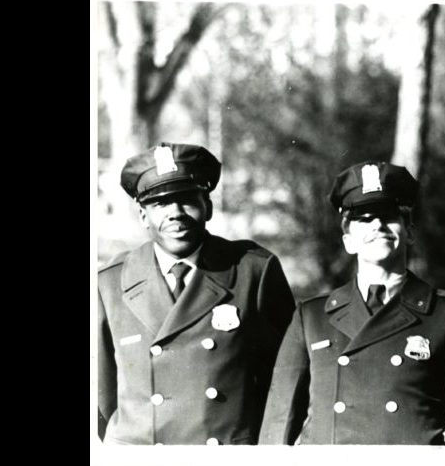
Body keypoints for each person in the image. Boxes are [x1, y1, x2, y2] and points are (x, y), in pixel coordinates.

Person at [259, 161, 445, 445]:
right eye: (364, 218)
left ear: (408, 231)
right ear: (348, 240)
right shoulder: (311, 318)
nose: (377, 225)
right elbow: (279, 422)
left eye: (389, 216)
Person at [97, 142, 296, 445]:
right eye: (161, 203)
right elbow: (101, 396)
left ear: (208, 206)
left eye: (187, 200)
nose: (175, 213)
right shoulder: (110, 283)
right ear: (142, 214)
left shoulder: (253, 271)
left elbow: (284, 380)